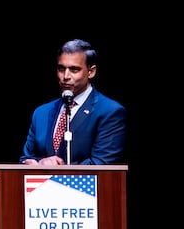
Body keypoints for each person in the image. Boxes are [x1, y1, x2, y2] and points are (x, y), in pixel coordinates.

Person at [19, 38, 126, 166]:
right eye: (61, 69)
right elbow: (25, 159)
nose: (66, 76)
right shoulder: (41, 113)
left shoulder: (110, 111)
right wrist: (40, 162)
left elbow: (101, 163)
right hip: (40, 186)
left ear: (91, 72)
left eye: (74, 70)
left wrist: (58, 170)